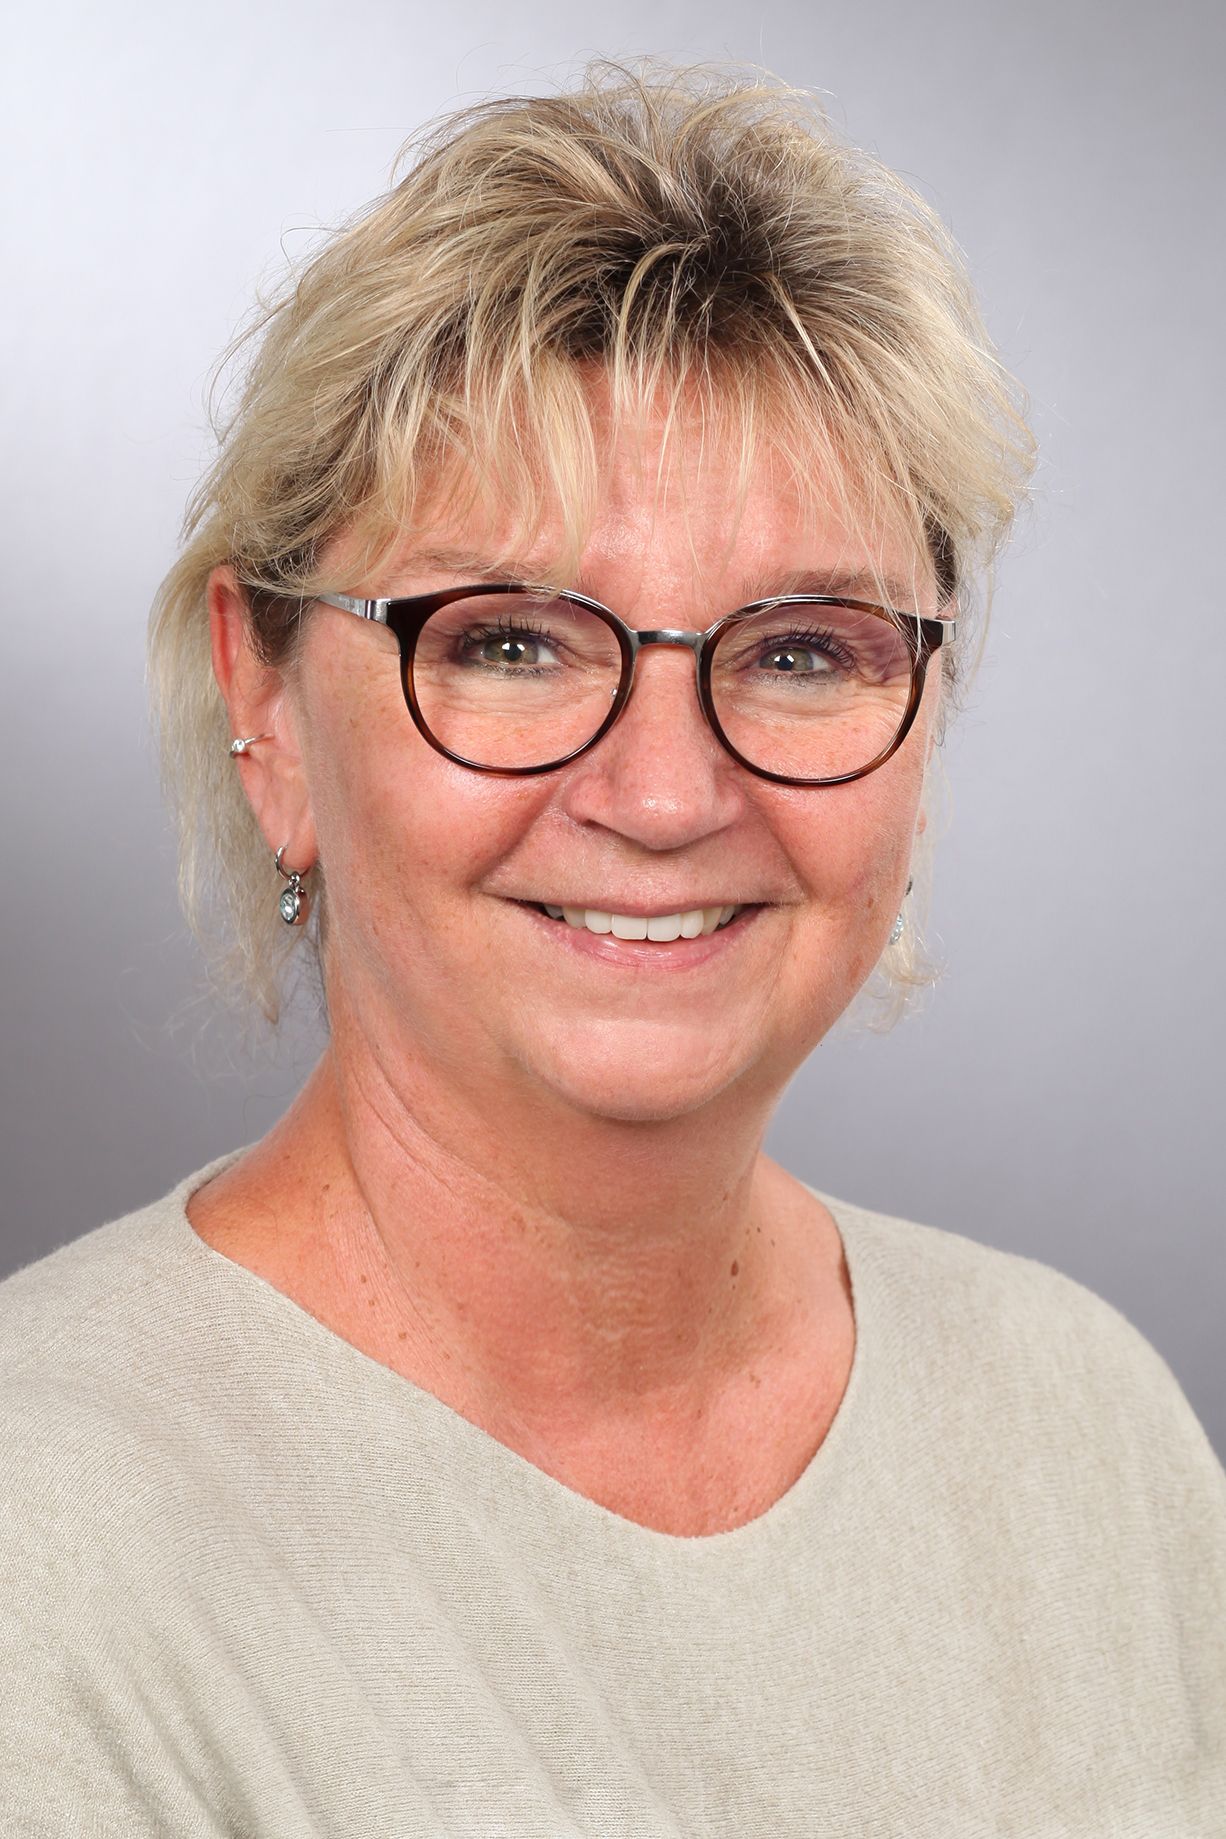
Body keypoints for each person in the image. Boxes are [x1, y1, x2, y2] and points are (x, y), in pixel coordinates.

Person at [1, 59, 1222, 1837]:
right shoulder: (43, 1537)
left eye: (800, 650)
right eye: (508, 642)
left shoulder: (1084, 1420)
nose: (663, 795)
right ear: (263, 700)